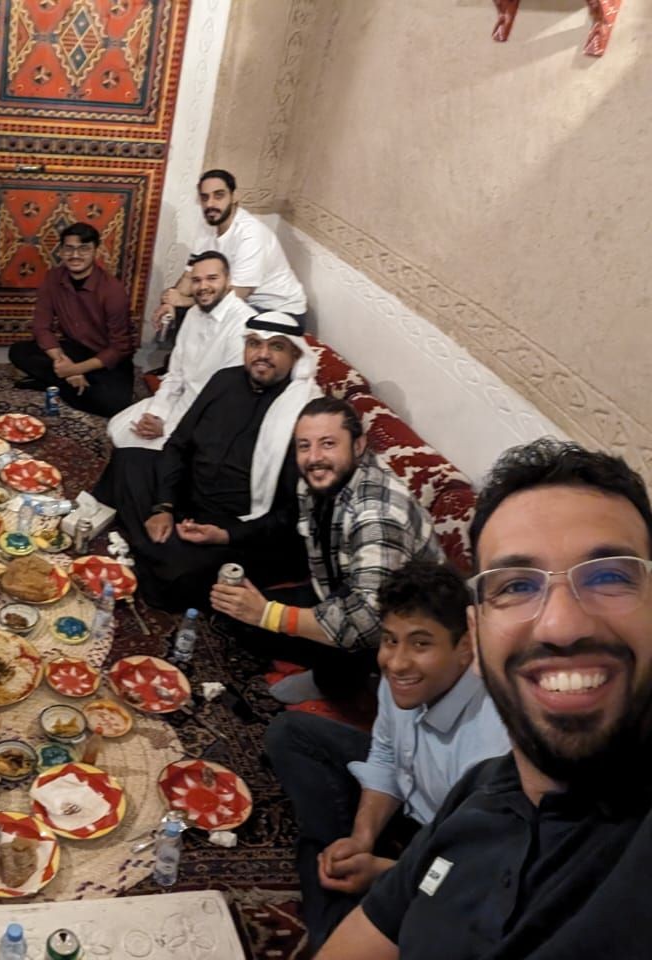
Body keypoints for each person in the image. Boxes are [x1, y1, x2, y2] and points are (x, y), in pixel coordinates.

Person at [318, 438, 652, 959]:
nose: (561, 625)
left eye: (609, 577)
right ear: (480, 631)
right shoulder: (481, 792)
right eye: (516, 586)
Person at [266, 560, 510, 952]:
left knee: (348, 933)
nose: (396, 662)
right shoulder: (403, 680)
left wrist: (386, 872)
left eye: (421, 643)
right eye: (390, 640)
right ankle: (340, 862)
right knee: (290, 733)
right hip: (412, 806)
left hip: (449, 850)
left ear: (464, 647)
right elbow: (386, 756)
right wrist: (362, 838)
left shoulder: (492, 751)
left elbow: (482, 869)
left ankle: (337, 904)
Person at [212, 397, 444, 702]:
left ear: (358, 446)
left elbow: (368, 622)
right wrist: (225, 535)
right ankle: (325, 661)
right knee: (237, 616)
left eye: (328, 443)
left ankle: (346, 682)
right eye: (304, 446)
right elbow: (289, 525)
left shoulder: (378, 516)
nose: (314, 457)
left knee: (266, 621)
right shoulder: (319, 477)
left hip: (397, 629)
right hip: (340, 590)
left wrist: (269, 614)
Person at [105, 313, 320, 610]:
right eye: (255, 344)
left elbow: (289, 513)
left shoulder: (305, 415)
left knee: (178, 577)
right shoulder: (225, 380)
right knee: (128, 459)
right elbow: (178, 444)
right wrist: (163, 506)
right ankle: (154, 540)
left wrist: (225, 534)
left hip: (237, 525)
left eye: (277, 347)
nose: (263, 355)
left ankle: (149, 546)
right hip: (188, 493)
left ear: (296, 354)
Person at [107, 251, 256, 451]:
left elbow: (227, 403)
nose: (203, 287)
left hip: (210, 421)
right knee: (118, 428)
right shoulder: (194, 313)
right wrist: (156, 413)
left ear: (228, 281)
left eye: (212, 278)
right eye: (196, 280)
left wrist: (168, 428)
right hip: (181, 403)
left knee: (138, 455)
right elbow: (175, 374)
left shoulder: (243, 325)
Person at [7, 222, 135, 416]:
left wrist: (75, 369)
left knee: (115, 405)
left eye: (84, 249)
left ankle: (56, 382)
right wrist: (65, 364)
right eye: (69, 248)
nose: (75, 255)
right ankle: (67, 382)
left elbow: (119, 348)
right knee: (18, 352)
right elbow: (42, 327)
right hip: (73, 350)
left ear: (96, 251)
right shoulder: (53, 278)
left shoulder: (113, 290)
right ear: (61, 251)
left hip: (105, 359)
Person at [154, 168, 306, 330]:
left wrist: (185, 301)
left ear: (234, 197)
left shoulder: (251, 235)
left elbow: (238, 295)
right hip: (242, 302)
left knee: (205, 318)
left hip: (276, 311)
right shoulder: (208, 225)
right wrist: (172, 302)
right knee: (188, 314)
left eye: (219, 195)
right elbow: (189, 275)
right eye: (205, 198)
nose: (210, 204)